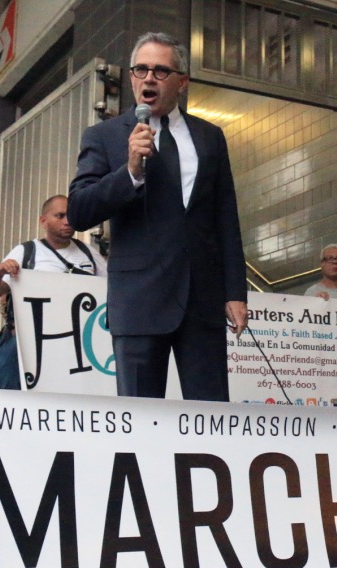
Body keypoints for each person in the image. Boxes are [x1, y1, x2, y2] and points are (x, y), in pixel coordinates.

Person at [68, 32, 247, 401]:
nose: (149, 78)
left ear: (182, 82)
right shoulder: (104, 136)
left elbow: (225, 217)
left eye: (161, 71)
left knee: (211, 418)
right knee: (140, 423)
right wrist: (130, 171)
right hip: (139, 302)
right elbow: (79, 211)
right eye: (141, 69)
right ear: (132, 78)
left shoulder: (210, 137)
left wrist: (235, 291)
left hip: (202, 301)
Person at [0, 195, 106, 389]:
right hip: (26, 342)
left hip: (76, 345)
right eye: (60, 215)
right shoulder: (27, 251)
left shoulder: (89, 254)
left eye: (70, 215)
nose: (67, 221)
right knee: (9, 397)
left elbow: (109, 291)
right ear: (43, 221)